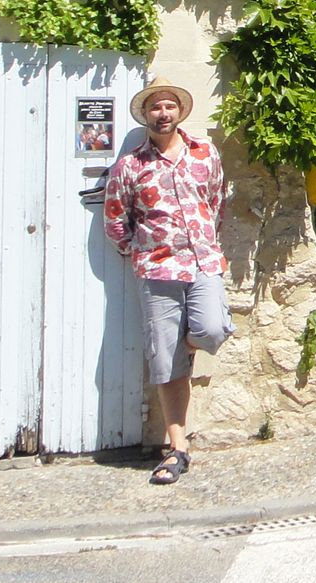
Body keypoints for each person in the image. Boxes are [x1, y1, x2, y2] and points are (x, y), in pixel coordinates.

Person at [102, 80, 232, 485]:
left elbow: (217, 201)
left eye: (169, 106)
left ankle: (185, 344)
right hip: (157, 271)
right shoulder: (130, 165)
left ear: (179, 112)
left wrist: (208, 241)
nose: (163, 114)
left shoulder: (205, 153)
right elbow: (115, 218)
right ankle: (178, 448)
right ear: (146, 115)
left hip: (203, 262)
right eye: (155, 108)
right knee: (165, 363)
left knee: (213, 329)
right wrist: (139, 251)